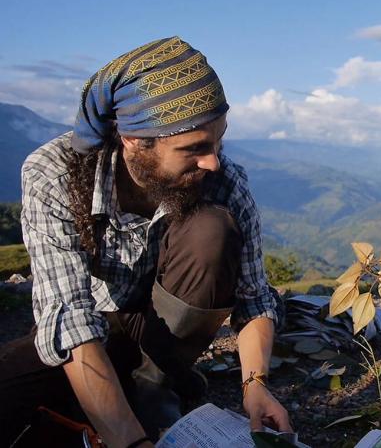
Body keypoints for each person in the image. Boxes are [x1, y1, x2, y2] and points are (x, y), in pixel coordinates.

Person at [0, 37, 292, 447]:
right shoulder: (55, 175)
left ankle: (157, 385)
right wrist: (131, 443)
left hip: (165, 332)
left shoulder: (224, 181)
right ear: (135, 141)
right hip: (94, 329)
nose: (213, 161)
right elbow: (71, 323)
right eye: (194, 148)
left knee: (212, 229)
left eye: (218, 140)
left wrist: (255, 386)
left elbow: (254, 297)